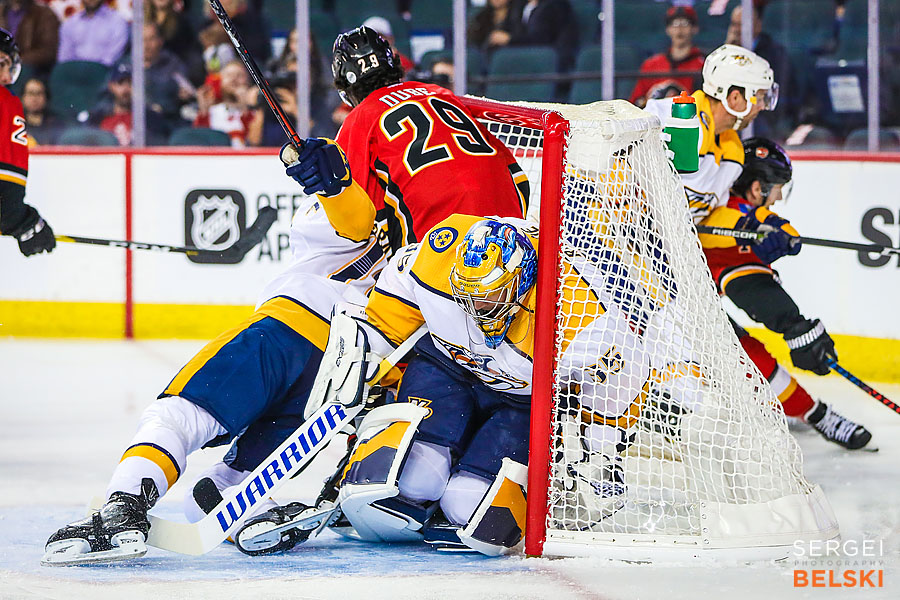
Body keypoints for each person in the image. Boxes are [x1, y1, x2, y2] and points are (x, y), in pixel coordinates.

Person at [42, 26, 528, 565]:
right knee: (310, 431)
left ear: (344, 88)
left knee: (181, 414)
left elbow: (349, 216)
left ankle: (125, 506)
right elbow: (513, 188)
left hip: (295, 328)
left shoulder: (360, 152)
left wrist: (332, 183)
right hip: (368, 354)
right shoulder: (440, 159)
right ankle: (240, 486)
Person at [236, 215, 648, 556]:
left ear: (522, 283)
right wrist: (359, 367)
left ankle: (463, 482)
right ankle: (417, 484)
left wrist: (600, 451)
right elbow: (386, 312)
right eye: (465, 295)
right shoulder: (437, 253)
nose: (473, 309)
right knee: (413, 484)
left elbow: (621, 388)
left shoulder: (580, 314)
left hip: (522, 403)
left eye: (486, 299)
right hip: (447, 367)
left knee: (470, 510)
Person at [699, 138, 872, 450]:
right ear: (756, 187)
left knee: (746, 355)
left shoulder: (747, 222)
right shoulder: (714, 211)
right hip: (656, 298)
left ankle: (813, 413)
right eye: (776, 187)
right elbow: (723, 223)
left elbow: (779, 230)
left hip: (702, 294)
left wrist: (794, 326)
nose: (778, 196)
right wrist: (751, 227)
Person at [645, 43, 778, 223]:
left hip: (655, 249)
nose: (762, 106)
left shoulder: (733, 154)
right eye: (760, 97)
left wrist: (751, 226)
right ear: (735, 98)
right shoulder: (667, 116)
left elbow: (705, 222)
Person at [0, 30, 54, 256]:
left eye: (8, 66)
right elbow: (5, 202)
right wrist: (26, 224)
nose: (6, 77)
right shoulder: (5, 103)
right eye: (1, 64)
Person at [724, 1, 793, 140]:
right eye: (734, 24)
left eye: (742, 24)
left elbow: (779, 92)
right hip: (732, 112)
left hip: (764, 115)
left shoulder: (774, 54)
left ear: (758, 25)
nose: (737, 30)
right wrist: (728, 50)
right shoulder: (725, 54)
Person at [629, 5, 704, 108]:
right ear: (668, 29)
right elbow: (635, 103)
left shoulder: (704, 65)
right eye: (674, 24)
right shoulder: (651, 65)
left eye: (685, 23)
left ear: (694, 29)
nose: (679, 29)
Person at [89, 63, 171, 146]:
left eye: (130, 83)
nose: (126, 89)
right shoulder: (97, 118)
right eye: (120, 83)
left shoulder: (151, 119)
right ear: (111, 86)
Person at [193, 59, 262, 147]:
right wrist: (203, 110)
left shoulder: (255, 112)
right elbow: (198, 139)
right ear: (221, 81)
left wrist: (245, 106)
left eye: (239, 75)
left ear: (248, 81)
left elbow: (254, 141)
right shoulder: (212, 111)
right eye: (229, 75)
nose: (233, 79)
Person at [56, 0, 128, 66]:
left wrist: (94, 71)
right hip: (74, 74)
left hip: (106, 74)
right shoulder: (70, 24)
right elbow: (64, 58)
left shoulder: (117, 21)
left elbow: (112, 57)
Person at [0, 0, 60, 77]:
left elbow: (48, 51)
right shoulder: (1, 12)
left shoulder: (45, 14)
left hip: (32, 69)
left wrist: (14, 60)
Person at [20, 77, 63, 145]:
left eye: (39, 93)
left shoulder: (57, 124)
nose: (34, 98)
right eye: (30, 93)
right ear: (23, 98)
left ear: (46, 97)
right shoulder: (15, 125)